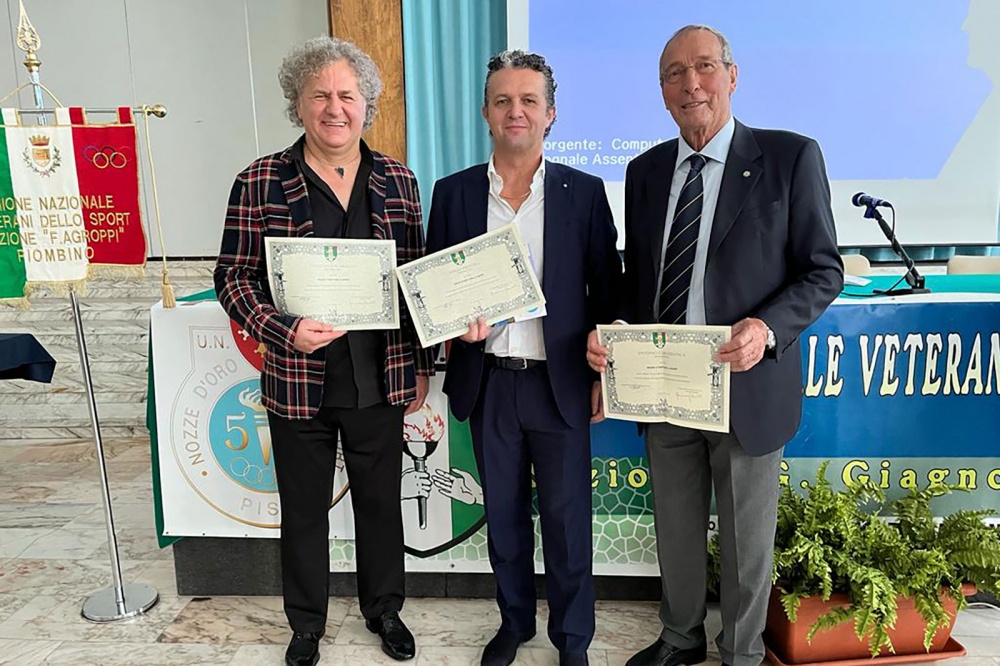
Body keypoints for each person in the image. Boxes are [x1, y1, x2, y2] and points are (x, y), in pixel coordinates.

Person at [586, 25, 843, 666]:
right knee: (674, 525)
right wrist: (614, 328)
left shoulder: (790, 157)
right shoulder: (644, 171)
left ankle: (743, 652)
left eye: (704, 67)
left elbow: (823, 269)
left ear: (733, 75)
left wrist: (767, 327)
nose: (690, 83)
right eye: (675, 73)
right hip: (664, 383)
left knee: (745, 536)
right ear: (662, 91)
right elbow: (640, 276)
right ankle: (680, 638)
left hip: (746, 381)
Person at [214, 36, 434, 666]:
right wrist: (283, 329)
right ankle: (306, 623)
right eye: (320, 96)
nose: (334, 107)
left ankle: (384, 609)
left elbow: (415, 278)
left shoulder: (398, 179)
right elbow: (231, 277)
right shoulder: (258, 179)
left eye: (347, 95)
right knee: (304, 512)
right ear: (298, 104)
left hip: (380, 378)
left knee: (379, 507)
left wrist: (421, 363)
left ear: (367, 104)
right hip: (298, 380)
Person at [426, 50, 622, 666]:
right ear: (486, 112)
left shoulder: (584, 194)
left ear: (551, 114)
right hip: (488, 384)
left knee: (568, 527)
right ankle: (514, 624)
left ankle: (573, 642)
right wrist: (454, 329)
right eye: (504, 100)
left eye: (529, 100)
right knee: (504, 520)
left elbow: (606, 288)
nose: (516, 110)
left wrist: (604, 366)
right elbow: (431, 292)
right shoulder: (453, 193)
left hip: (558, 384)